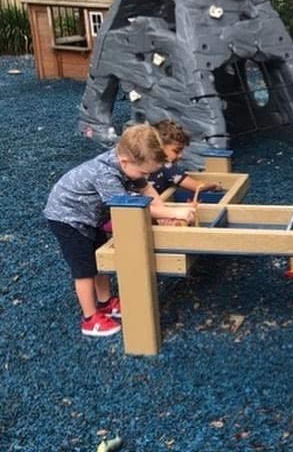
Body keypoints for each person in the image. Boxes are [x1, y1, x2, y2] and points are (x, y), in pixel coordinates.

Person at [44, 124, 195, 338]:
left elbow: (146, 189)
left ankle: (105, 303)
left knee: (99, 261)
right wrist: (176, 214)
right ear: (125, 162)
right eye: (143, 172)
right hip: (67, 217)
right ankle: (90, 318)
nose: (145, 175)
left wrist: (164, 212)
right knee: (84, 269)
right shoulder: (105, 174)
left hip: (89, 217)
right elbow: (127, 207)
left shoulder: (130, 161)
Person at [149, 120, 222, 196]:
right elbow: (197, 187)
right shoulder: (166, 167)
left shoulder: (146, 163)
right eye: (176, 151)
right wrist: (214, 184)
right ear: (160, 147)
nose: (180, 155)